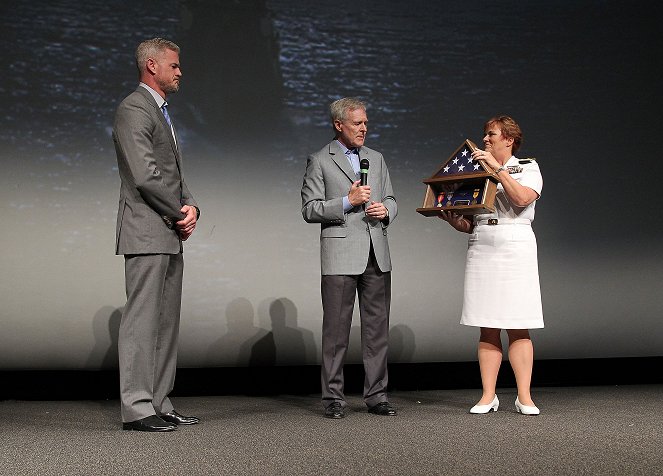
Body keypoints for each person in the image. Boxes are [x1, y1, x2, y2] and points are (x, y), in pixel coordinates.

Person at [113, 38, 201, 431]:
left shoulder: (161, 112)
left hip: (167, 231)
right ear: (152, 65)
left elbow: (174, 173)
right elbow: (146, 175)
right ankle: (137, 406)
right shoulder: (134, 108)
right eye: (174, 65)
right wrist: (177, 213)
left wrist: (192, 206)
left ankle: (160, 401)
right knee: (142, 322)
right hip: (147, 230)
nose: (180, 71)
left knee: (166, 323)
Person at [439, 115, 543, 416]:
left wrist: (498, 170)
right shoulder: (476, 171)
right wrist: (455, 220)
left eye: (491, 134)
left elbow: (522, 199)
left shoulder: (527, 168)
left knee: (518, 324)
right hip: (483, 242)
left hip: (515, 242)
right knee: (487, 324)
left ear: (509, 139)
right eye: (485, 134)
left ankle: (524, 396)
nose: (485, 139)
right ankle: (488, 395)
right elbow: (469, 221)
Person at [301, 97, 398, 419]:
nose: (364, 129)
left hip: (376, 254)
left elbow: (391, 199)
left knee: (376, 332)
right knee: (336, 332)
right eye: (358, 123)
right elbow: (310, 209)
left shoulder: (377, 159)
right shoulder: (320, 160)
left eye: (366, 123)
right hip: (340, 255)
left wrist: (386, 211)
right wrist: (346, 200)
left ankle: (377, 396)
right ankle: (333, 399)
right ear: (338, 124)